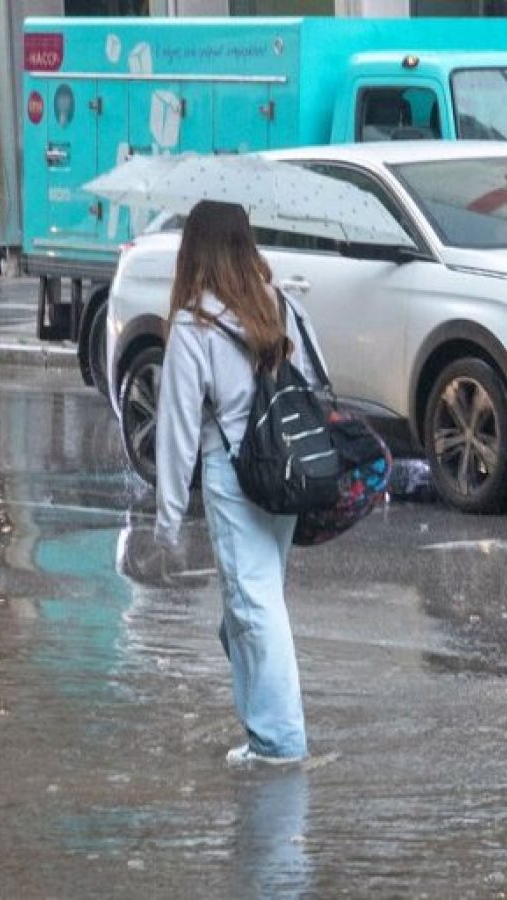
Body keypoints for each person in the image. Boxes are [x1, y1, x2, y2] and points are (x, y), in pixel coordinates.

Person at [154, 200, 326, 766]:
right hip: (286, 470)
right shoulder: (279, 306)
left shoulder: (193, 323)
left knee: (254, 609)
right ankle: (262, 733)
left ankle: (280, 743)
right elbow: (318, 379)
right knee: (251, 603)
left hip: (234, 475)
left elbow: (177, 427)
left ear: (194, 252)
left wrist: (168, 516)